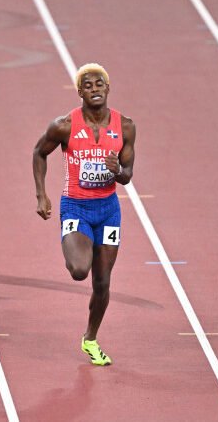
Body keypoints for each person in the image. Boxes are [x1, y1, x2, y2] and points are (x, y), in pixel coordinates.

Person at [32, 63, 136, 365]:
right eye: (87, 86)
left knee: (102, 283)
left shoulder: (125, 126)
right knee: (79, 270)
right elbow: (39, 152)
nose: (94, 89)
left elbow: (128, 175)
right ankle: (77, 242)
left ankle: (90, 339)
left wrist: (118, 171)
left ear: (108, 88)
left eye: (99, 84)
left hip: (109, 211)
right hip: (76, 206)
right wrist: (41, 194)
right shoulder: (64, 126)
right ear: (80, 92)